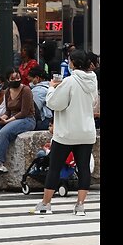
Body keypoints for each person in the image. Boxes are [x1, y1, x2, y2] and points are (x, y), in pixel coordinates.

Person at [30, 50, 97, 216]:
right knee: (83, 169)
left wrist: (52, 88)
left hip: (67, 132)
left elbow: (55, 103)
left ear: (73, 62)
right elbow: (93, 101)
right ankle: (80, 205)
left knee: (54, 167)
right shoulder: (92, 80)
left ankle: (46, 204)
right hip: (86, 131)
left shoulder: (69, 81)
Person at [0, 69, 36, 173]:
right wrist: (3, 117)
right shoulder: (7, 91)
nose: (16, 80)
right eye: (13, 78)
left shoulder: (26, 90)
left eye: (18, 78)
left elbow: (24, 112)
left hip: (26, 119)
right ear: (8, 80)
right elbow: (8, 110)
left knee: (4, 132)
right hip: (12, 118)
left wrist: (7, 121)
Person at [28, 65, 54, 131]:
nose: (29, 83)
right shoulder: (50, 86)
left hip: (44, 121)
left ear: (37, 78)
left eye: (31, 80)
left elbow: (34, 111)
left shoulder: (37, 91)